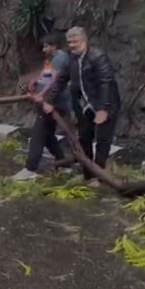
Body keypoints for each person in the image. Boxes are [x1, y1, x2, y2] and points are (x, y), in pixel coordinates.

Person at [40, 27, 121, 187]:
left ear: (84, 41)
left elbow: (106, 82)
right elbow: (61, 79)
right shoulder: (72, 59)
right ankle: (88, 176)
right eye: (69, 42)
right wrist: (49, 100)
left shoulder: (97, 57)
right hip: (84, 106)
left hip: (104, 104)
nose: (72, 45)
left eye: (75, 41)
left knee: (103, 141)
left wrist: (103, 109)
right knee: (84, 139)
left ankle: (99, 175)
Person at [12, 33, 72, 180]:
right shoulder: (51, 60)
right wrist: (34, 82)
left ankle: (30, 168)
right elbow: (45, 76)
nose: (43, 49)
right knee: (48, 136)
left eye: (46, 46)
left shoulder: (61, 58)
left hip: (53, 102)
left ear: (54, 46)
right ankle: (63, 164)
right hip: (45, 101)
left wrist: (42, 95)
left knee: (38, 134)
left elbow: (54, 80)